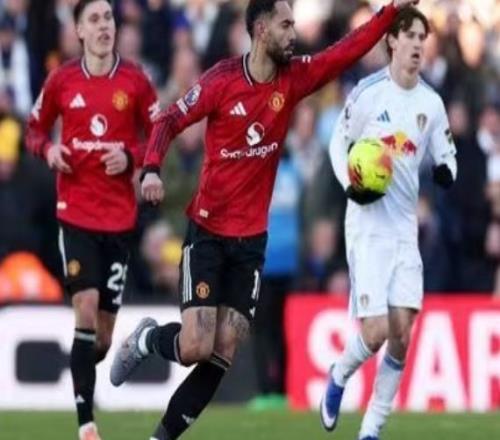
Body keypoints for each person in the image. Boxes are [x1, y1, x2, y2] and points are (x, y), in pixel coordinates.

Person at [110, 1, 418, 439]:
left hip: (251, 243)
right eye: (285, 25)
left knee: (223, 351)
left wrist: (390, 12)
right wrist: (153, 168)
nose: (293, 34)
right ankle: (147, 340)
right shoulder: (222, 80)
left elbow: (344, 52)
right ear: (260, 29)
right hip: (208, 234)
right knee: (196, 345)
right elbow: (170, 119)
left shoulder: (293, 80)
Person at [25, 1, 159, 439]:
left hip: (118, 220)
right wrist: (49, 150)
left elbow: (159, 133)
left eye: (109, 18)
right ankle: (87, 425)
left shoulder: (136, 81)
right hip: (76, 213)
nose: (104, 26)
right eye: (95, 20)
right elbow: (34, 129)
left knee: (100, 338)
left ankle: (86, 370)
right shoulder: (61, 80)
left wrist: (133, 157)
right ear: (79, 31)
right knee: (83, 306)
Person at [322, 7, 457, 440]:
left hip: (403, 229)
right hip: (367, 225)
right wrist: (350, 184)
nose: (417, 44)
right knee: (376, 330)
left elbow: (447, 154)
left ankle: (371, 430)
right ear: (392, 42)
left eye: (422, 37)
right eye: (409, 35)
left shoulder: (431, 104)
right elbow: (337, 143)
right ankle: (339, 374)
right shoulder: (368, 93)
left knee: (401, 335)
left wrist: (446, 171)